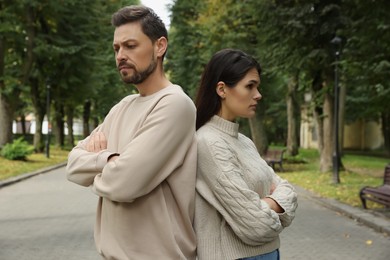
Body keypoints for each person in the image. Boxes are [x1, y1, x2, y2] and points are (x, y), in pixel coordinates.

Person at [66, 5, 197, 260]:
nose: (120, 56)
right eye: (116, 48)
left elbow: (124, 184)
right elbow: (72, 165)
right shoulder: (122, 107)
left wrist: (97, 164)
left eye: (130, 46)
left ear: (160, 46)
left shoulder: (174, 104)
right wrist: (109, 161)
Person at [194, 49, 298, 260]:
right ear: (222, 89)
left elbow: (288, 190)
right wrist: (275, 201)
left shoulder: (244, 142)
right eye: (250, 86)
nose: (258, 95)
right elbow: (256, 226)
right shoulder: (208, 142)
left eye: (257, 86)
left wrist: (264, 204)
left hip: (267, 254)